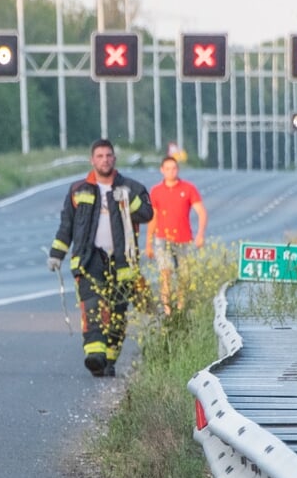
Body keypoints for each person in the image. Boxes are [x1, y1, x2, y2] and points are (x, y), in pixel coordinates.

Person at [48, 139, 152, 377]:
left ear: (114, 159)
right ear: (92, 160)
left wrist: (128, 199)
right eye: (100, 156)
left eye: (108, 155)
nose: (105, 160)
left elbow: (147, 213)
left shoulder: (132, 188)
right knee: (93, 308)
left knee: (117, 313)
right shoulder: (78, 190)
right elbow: (67, 226)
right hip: (88, 260)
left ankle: (109, 359)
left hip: (122, 263)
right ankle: (94, 356)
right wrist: (57, 255)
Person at [143, 152, 206, 316]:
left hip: (183, 238)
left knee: (183, 276)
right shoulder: (156, 191)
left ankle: (181, 306)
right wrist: (148, 243)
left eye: (174, 168)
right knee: (166, 273)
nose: (171, 171)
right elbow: (153, 217)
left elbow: (201, 212)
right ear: (162, 170)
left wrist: (200, 234)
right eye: (168, 168)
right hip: (162, 238)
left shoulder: (188, 188)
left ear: (178, 169)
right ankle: (167, 309)